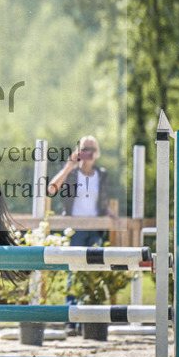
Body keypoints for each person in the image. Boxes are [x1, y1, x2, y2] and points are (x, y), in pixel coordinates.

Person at [47, 135, 118, 325]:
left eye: (92, 150)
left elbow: (99, 200)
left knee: (94, 272)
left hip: (95, 228)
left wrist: (110, 212)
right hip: (75, 228)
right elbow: (51, 189)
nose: (89, 153)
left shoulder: (101, 174)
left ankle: (91, 319)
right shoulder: (72, 174)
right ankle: (72, 320)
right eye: (85, 149)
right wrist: (68, 166)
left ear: (97, 153)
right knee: (75, 272)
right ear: (79, 152)